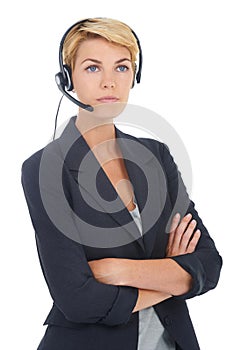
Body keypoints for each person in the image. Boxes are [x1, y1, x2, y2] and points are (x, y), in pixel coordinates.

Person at [21, 17, 222, 350]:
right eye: (92, 68)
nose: (109, 83)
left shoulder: (155, 156)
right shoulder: (44, 169)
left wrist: (117, 270)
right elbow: (76, 298)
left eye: (122, 67)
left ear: (134, 75)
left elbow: (208, 263)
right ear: (68, 78)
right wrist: (172, 276)